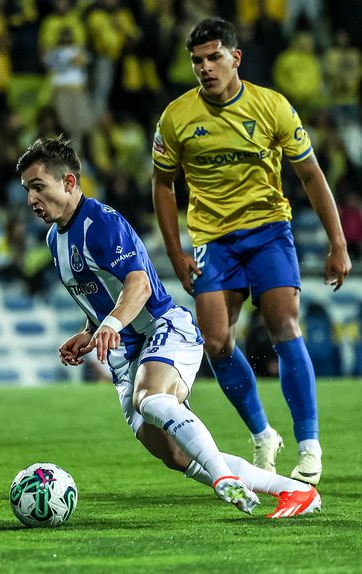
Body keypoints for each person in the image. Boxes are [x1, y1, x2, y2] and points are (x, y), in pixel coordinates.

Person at [19, 136, 320, 518]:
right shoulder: (53, 238)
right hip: (126, 353)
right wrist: (91, 330)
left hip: (163, 327)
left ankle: (225, 479)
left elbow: (139, 284)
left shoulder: (100, 223)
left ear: (69, 183)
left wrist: (112, 322)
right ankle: (294, 491)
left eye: (38, 187)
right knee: (176, 454)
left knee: (153, 399)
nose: (31, 200)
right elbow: (103, 292)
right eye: (27, 190)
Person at [151, 18, 351, 486]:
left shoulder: (271, 106)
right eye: (197, 60)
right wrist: (176, 250)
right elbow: (162, 184)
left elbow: (311, 175)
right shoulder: (176, 118)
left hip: (268, 232)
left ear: (235, 57)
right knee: (216, 342)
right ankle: (263, 435)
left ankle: (309, 445)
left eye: (214, 57)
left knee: (284, 324)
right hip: (212, 241)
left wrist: (337, 243)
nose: (205, 67)